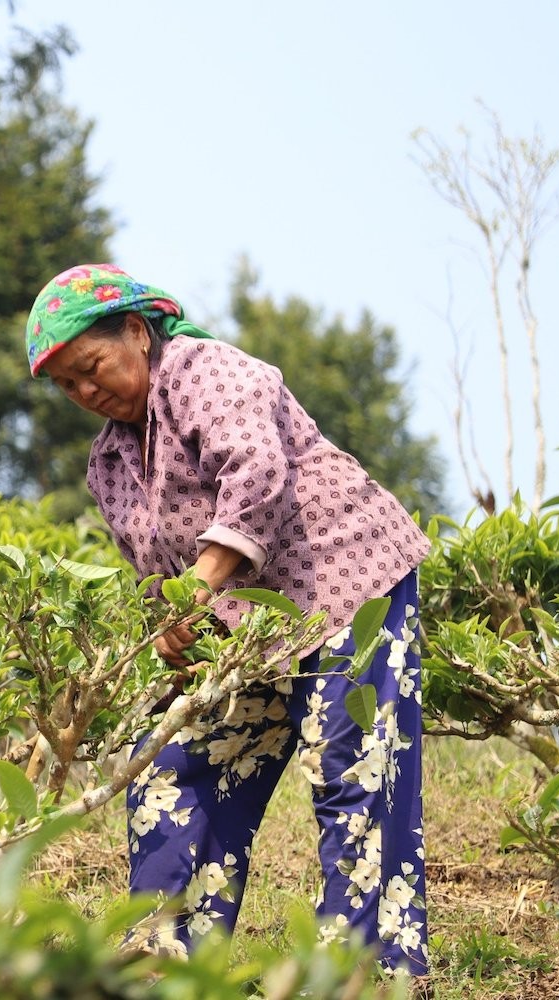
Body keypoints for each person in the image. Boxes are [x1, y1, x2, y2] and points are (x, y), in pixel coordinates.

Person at [23, 263, 431, 976]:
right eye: (67, 385)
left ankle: (370, 982)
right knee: (175, 771)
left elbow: (255, 474)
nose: (85, 392)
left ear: (137, 332)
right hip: (249, 632)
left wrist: (196, 587)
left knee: (351, 770)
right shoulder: (109, 463)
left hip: (347, 586)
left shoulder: (205, 371)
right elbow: (154, 572)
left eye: (91, 367)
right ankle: (170, 977)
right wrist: (171, 621)